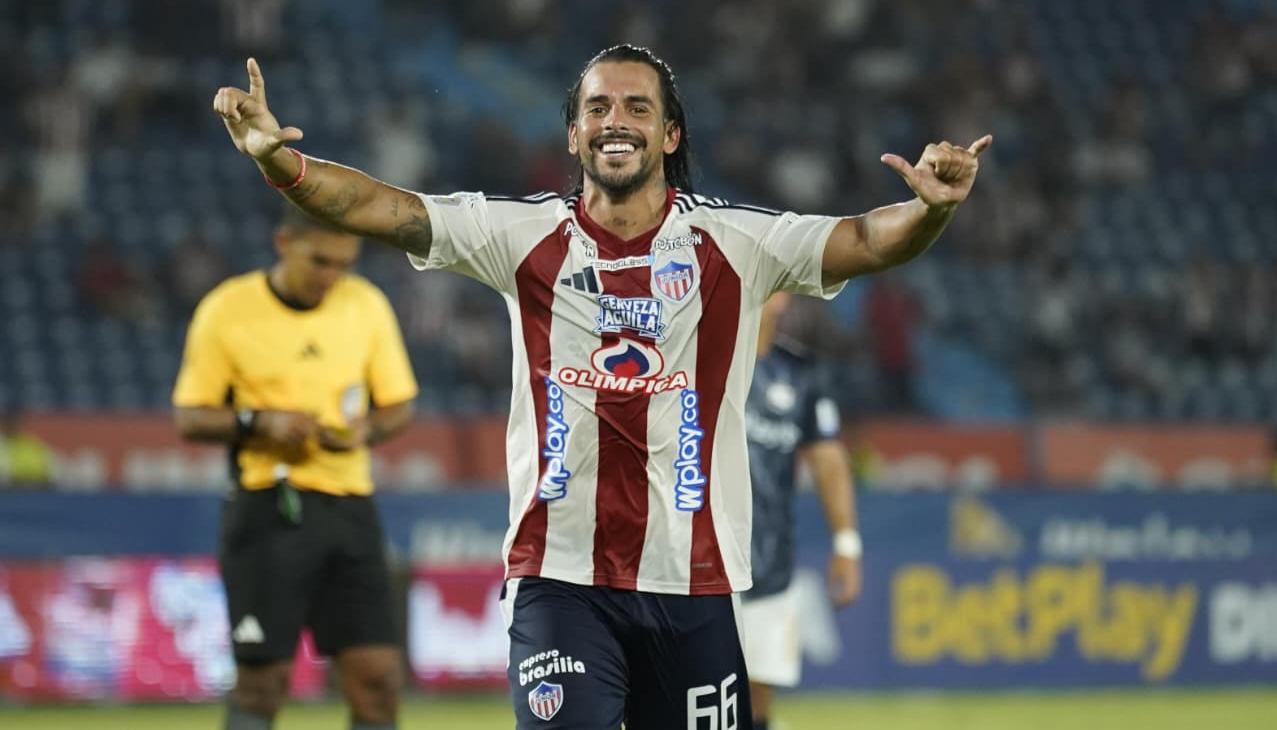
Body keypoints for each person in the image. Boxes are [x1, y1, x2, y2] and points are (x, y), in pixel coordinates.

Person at [212, 44, 990, 729]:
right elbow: (383, 209)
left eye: (636, 106)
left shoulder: (737, 243)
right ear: (574, 134)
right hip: (559, 580)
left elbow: (862, 239)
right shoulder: (518, 234)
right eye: (597, 107)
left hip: (694, 584)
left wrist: (929, 212)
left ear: (670, 133)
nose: (615, 119)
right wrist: (281, 163)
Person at [171, 204, 418, 730]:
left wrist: (365, 431)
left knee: (378, 677)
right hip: (266, 506)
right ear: (285, 242)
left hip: (350, 506)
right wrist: (259, 422)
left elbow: (398, 404)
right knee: (263, 682)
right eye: (320, 261)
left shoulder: (366, 305)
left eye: (344, 264)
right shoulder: (228, 309)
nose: (332, 277)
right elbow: (190, 416)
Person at [742, 292, 861, 730]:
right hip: (691, 568)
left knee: (755, 706)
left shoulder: (800, 375)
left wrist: (847, 545)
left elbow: (830, 463)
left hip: (768, 564)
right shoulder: (691, 358)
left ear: (783, 296)